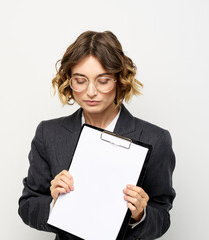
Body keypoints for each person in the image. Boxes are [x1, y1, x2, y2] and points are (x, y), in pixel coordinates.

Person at [18, 30, 176, 240]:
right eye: (80, 80)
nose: (91, 92)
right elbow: (27, 206)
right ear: (69, 81)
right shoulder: (49, 134)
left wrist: (140, 214)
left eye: (103, 80)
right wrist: (54, 203)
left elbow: (162, 216)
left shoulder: (156, 139)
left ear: (120, 80)